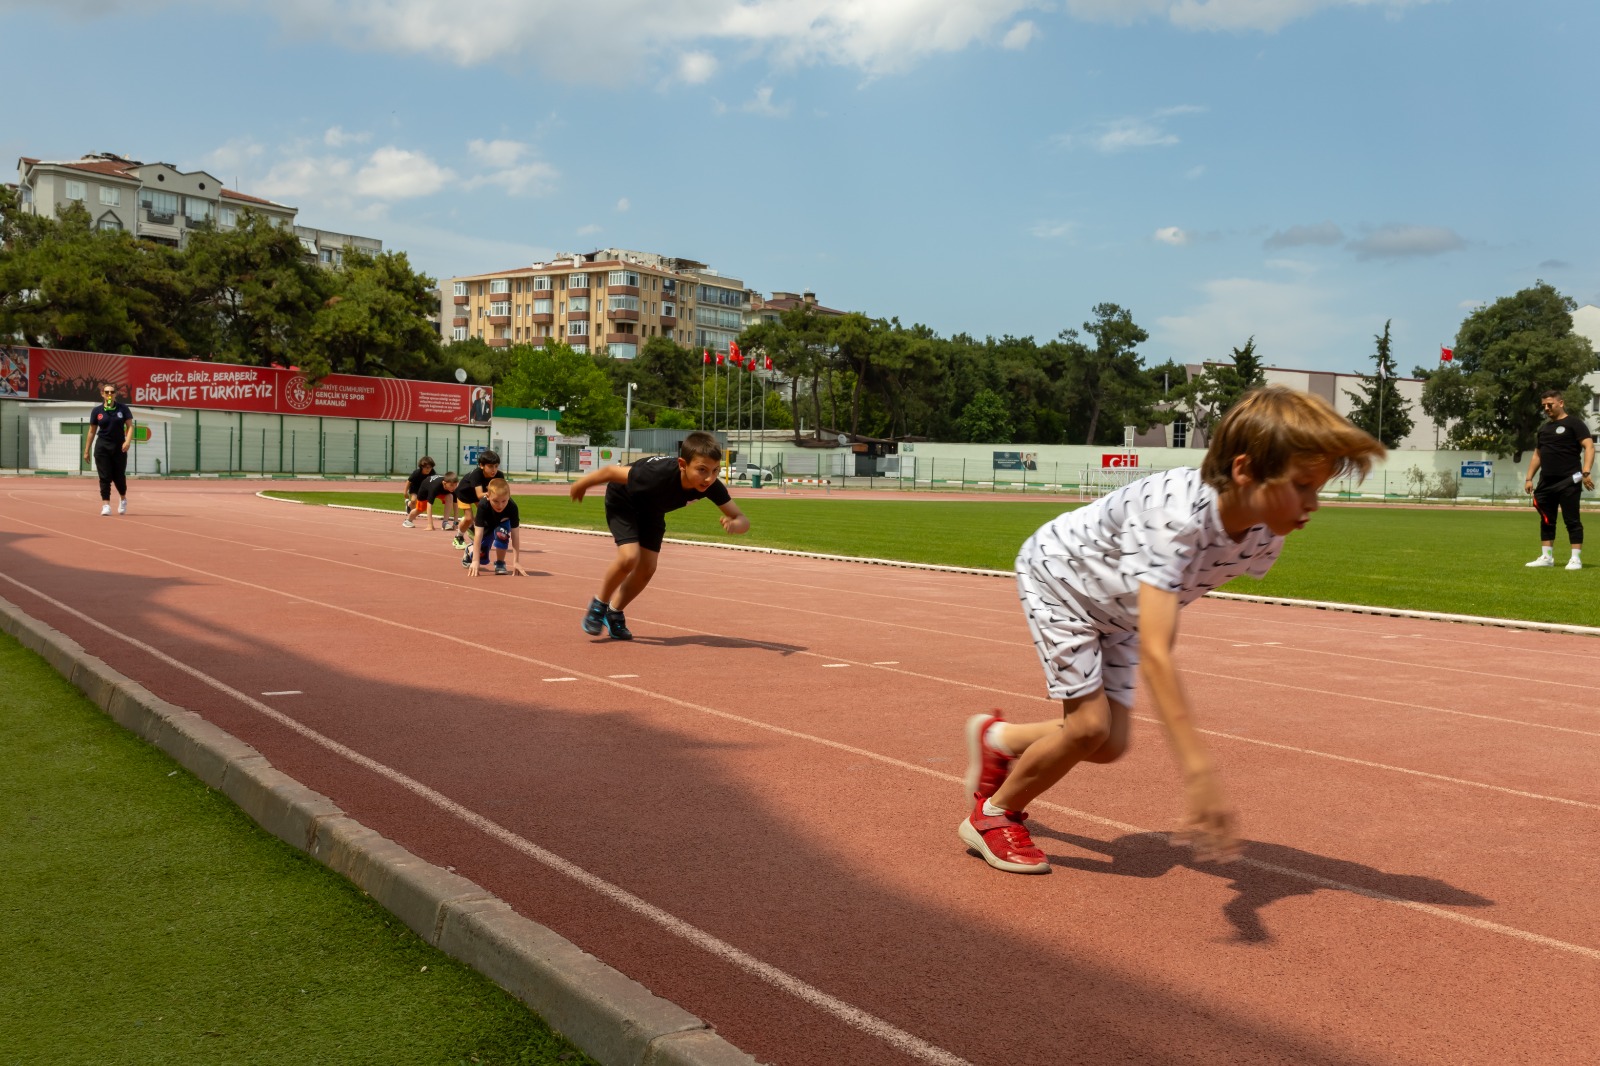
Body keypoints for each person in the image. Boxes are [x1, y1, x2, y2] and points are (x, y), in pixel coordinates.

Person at [959, 386, 1384, 875]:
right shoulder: (1174, 517)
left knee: (1107, 744)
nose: (1314, 503)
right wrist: (1198, 769)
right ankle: (991, 816)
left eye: (1319, 488)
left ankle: (1000, 740)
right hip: (1064, 579)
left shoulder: (1266, 533)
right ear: (1245, 470)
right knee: (1088, 727)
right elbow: (1159, 653)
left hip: (1121, 608)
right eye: (1303, 485)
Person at [569, 431, 750, 640]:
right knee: (629, 557)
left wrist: (735, 525)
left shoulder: (709, 485)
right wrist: (581, 484)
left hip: (652, 510)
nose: (709, 478)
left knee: (647, 568)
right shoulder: (656, 474)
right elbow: (610, 471)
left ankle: (614, 612)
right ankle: (599, 604)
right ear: (683, 464)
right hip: (624, 500)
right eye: (702, 470)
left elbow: (741, 518)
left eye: (715, 470)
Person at [1523, 389, 1594, 570]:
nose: (1546, 408)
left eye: (1550, 405)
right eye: (1544, 406)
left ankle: (1576, 559)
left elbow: (1589, 446)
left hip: (1570, 479)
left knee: (1572, 519)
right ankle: (1547, 557)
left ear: (1560, 403)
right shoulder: (1544, 429)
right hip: (1546, 482)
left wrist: (1586, 472)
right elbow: (1537, 455)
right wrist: (1529, 478)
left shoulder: (1574, 424)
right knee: (1547, 520)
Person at [83, 384, 135, 516]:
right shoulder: (97, 411)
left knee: (119, 477)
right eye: (107, 392)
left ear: (116, 393)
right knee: (104, 477)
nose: (109, 394)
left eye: (112, 392)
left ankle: (123, 498)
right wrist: (86, 450)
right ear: (102, 394)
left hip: (119, 447)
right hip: (102, 447)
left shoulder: (123, 409)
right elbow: (91, 431)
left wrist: (127, 441)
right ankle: (106, 505)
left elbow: (130, 427)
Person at [464, 477, 527, 577]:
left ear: (509, 497)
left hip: (503, 523)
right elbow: (478, 534)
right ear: (488, 496)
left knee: (502, 534)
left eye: (504, 501)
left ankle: (500, 563)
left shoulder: (512, 507)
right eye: (496, 501)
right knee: (482, 558)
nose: (500, 505)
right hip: (487, 525)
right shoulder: (483, 505)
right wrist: (475, 561)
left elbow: (515, 535)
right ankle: (469, 549)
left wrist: (516, 561)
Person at [450, 449, 502, 550]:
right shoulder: (477, 474)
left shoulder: (499, 475)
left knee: (488, 514)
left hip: (477, 495)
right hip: (464, 495)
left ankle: (477, 532)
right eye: (490, 466)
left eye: (496, 466)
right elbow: (479, 495)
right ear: (481, 465)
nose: (494, 470)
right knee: (469, 518)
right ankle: (458, 537)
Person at [402, 456, 436, 525]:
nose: (428, 469)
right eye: (426, 467)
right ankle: (411, 510)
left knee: (424, 503)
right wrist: (405, 492)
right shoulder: (416, 473)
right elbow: (409, 481)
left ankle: (408, 504)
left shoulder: (432, 472)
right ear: (422, 467)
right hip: (414, 488)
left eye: (430, 467)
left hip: (424, 489)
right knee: (414, 500)